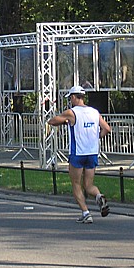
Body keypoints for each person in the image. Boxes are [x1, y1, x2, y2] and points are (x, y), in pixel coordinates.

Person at [47, 85, 112, 224]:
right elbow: (107, 128)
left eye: (70, 98)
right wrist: (96, 137)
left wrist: (64, 122)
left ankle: (86, 213)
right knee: (89, 185)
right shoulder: (94, 112)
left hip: (78, 153)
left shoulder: (71, 112)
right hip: (92, 152)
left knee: (76, 184)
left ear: (73, 97)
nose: (70, 101)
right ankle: (98, 196)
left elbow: (52, 121)